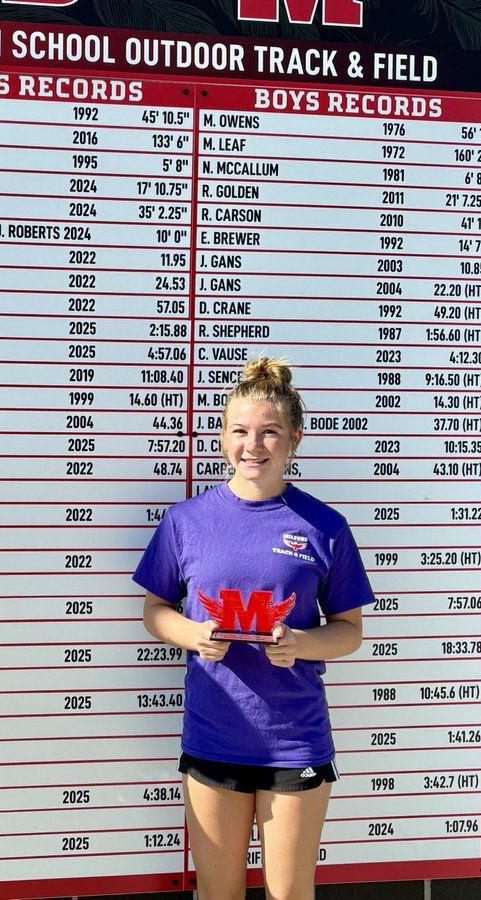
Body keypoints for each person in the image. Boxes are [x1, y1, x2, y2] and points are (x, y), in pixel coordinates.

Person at [134, 358, 374, 900]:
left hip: (295, 740)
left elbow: (350, 630)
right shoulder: (185, 521)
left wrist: (301, 644)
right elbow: (155, 612)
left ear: (295, 439)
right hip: (213, 733)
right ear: (222, 437)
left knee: (289, 895)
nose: (254, 445)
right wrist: (192, 635)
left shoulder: (325, 525)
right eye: (240, 431)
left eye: (269, 432)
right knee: (218, 894)